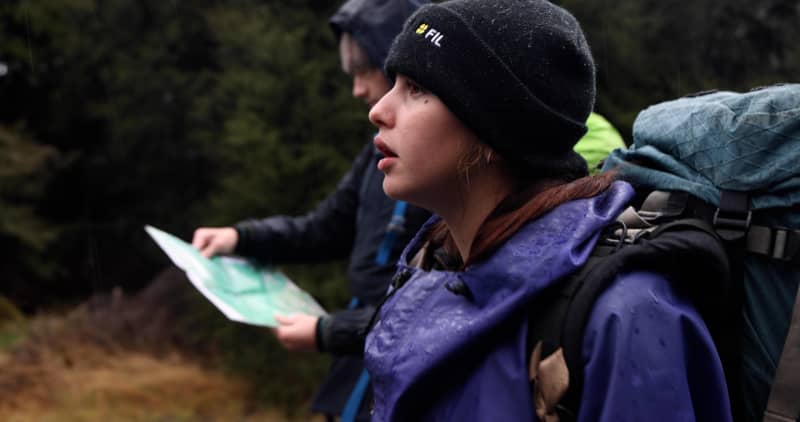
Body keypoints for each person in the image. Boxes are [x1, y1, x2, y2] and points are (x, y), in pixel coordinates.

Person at [363, 0, 732, 420]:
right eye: (393, 84)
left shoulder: (625, 314)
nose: (379, 110)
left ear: (494, 122)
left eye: (417, 88)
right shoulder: (428, 264)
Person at [191, 1, 430, 420]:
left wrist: (326, 331)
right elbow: (327, 226)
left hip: (401, 369)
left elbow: (435, 309)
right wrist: (242, 238)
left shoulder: (443, 171)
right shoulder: (375, 156)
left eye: (365, 70)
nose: (359, 92)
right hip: (359, 357)